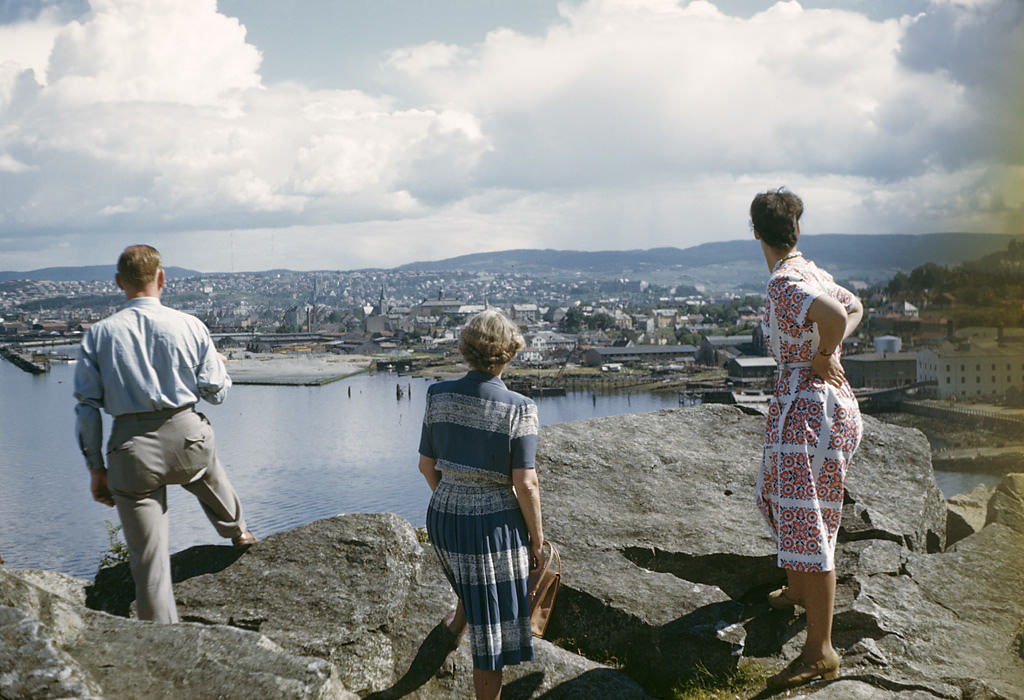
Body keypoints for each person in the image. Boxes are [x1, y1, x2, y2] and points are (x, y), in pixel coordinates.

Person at [74, 244, 256, 624]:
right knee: (206, 465)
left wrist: (96, 468)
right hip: (187, 440)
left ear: (119, 282)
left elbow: (87, 409)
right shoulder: (190, 325)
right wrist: (220, 367)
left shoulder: (99, 335)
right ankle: (237, 530)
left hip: (131, 450)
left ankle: (162, 639)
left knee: (149, 566)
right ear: (161, 279)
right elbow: (217, 394)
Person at [750, 189, 864, 690]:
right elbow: (855, 305)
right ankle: (799, 588)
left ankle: (820, 651)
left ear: (756, 232)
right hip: (818, 408)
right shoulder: (812, 272)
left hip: (809, 411)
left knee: (808, 522)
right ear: (797, 229)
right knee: (782, 497)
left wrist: (822, 354)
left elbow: (838, 318)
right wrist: (829, 347)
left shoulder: (782, 282)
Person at [417, 309, 544, 700]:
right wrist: (537, 541)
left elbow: (425, 466)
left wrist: (453, 494)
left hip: (443, 514)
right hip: (491, 524)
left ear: (466, 350)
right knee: (490, 642)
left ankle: (457, 621)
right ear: (509, 353)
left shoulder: (437, 394)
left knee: (471, 572)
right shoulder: (520, 408)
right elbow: (526, 483)